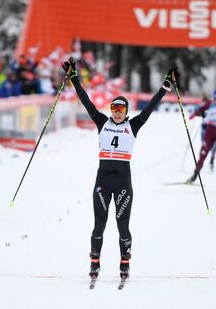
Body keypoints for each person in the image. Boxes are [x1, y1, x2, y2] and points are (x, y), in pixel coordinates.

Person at [62, 57, 178, 283]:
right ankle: (94, 262)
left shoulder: (133, 125)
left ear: (126, 112)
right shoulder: (101, 121)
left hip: (123, 182)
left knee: (122, 225)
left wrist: (165, 86)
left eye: (120, 108)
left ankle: (125, 263)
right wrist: (74, 79)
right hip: (103, 181)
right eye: (114, 108)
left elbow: (151, 107)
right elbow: (86, 102)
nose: (116, 112)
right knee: (99, 224)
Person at [189, 93, 216, 171]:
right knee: (205, 144)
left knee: (210, 145)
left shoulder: (212, 107)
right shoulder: (202, 107)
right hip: (204, 128)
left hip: (211, 128)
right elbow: (194, 113)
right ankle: (204, 160)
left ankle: (211, 159)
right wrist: (195, 112)